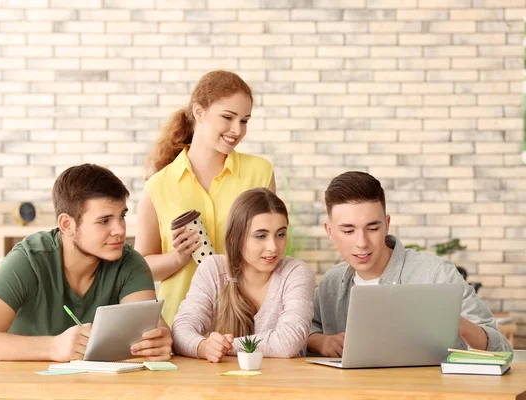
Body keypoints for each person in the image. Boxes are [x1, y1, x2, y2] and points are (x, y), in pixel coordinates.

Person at [0, 164, 173, 367]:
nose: (120, 230)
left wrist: (157, 341)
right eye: (104, 220)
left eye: (122, 216)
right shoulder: (29, 259)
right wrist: (53, 347)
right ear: (67, 225)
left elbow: (146, 333)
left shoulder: (129, 263)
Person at [307, 171, 512, 357]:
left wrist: (458, 325)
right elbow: (302, 329)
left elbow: (502, 349)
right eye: (348, 231)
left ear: (387, 224)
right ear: (330, 231)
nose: (361, 243)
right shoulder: (331, 284)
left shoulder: (436, 275)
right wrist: (321, 342)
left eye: (372, 228)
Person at [135, 70, 275, 326]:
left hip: (243, 321)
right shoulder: (159, 186)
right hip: (180, 326)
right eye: (227, 117)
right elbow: (140, 268)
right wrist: (177, 257)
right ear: (199, 113)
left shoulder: (260, 173)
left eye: (244, 120)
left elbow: (272, 247)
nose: (237, 130)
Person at [172, 188, 315, 362]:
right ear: (237, 237)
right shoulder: (213, 269)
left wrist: (223, 347)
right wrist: (204, 347)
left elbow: (288, 342)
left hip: (283, 385)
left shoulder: (296, 273)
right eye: (261, 236)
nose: (273, 247)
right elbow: (181, 331)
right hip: (222, 384)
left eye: (280, 234)